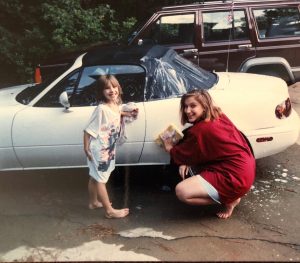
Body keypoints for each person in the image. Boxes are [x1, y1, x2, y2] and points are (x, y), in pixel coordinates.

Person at [160, 89, 256, 219]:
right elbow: (204, 149)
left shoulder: (201, 130)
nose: (187, 110)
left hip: (234, 177)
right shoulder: (218, 114)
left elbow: (179, 155)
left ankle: (229, 200)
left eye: (193, 106)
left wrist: (169, 147)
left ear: (204, 106)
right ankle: (232, 195)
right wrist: (188, 159)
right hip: (246, 169)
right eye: (185, 106)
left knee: (182, 192)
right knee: (191, 167)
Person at [83, 75, 138, 218]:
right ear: (101, 91)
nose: (112, 90)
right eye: (107, 88)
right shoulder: (101, 108)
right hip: (99, 150)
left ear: (118, 88)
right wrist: (86, 148)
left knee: (95, 176)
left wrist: (127, 113)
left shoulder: (115, 106)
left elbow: (117, 112)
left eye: (114, 87)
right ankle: (109, 211)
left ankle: (93, 202)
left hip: (108, 148)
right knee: (101, 179)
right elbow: (88, 130)